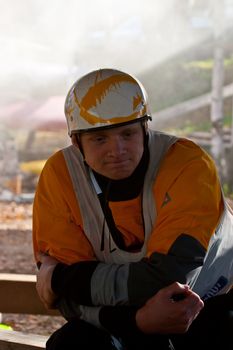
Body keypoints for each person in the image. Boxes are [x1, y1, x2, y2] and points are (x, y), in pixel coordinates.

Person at [33, 68, 233, 350]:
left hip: (211, 307)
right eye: (99, 139)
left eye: (127, 134)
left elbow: (169, 279)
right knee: (71, 343)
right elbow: (66, 299)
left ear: (144, 128)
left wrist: (62, 279)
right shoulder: (60, 176)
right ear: (76, 141)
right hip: (119, 320)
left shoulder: (188, 165)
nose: (118, 150)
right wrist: (136, 320)